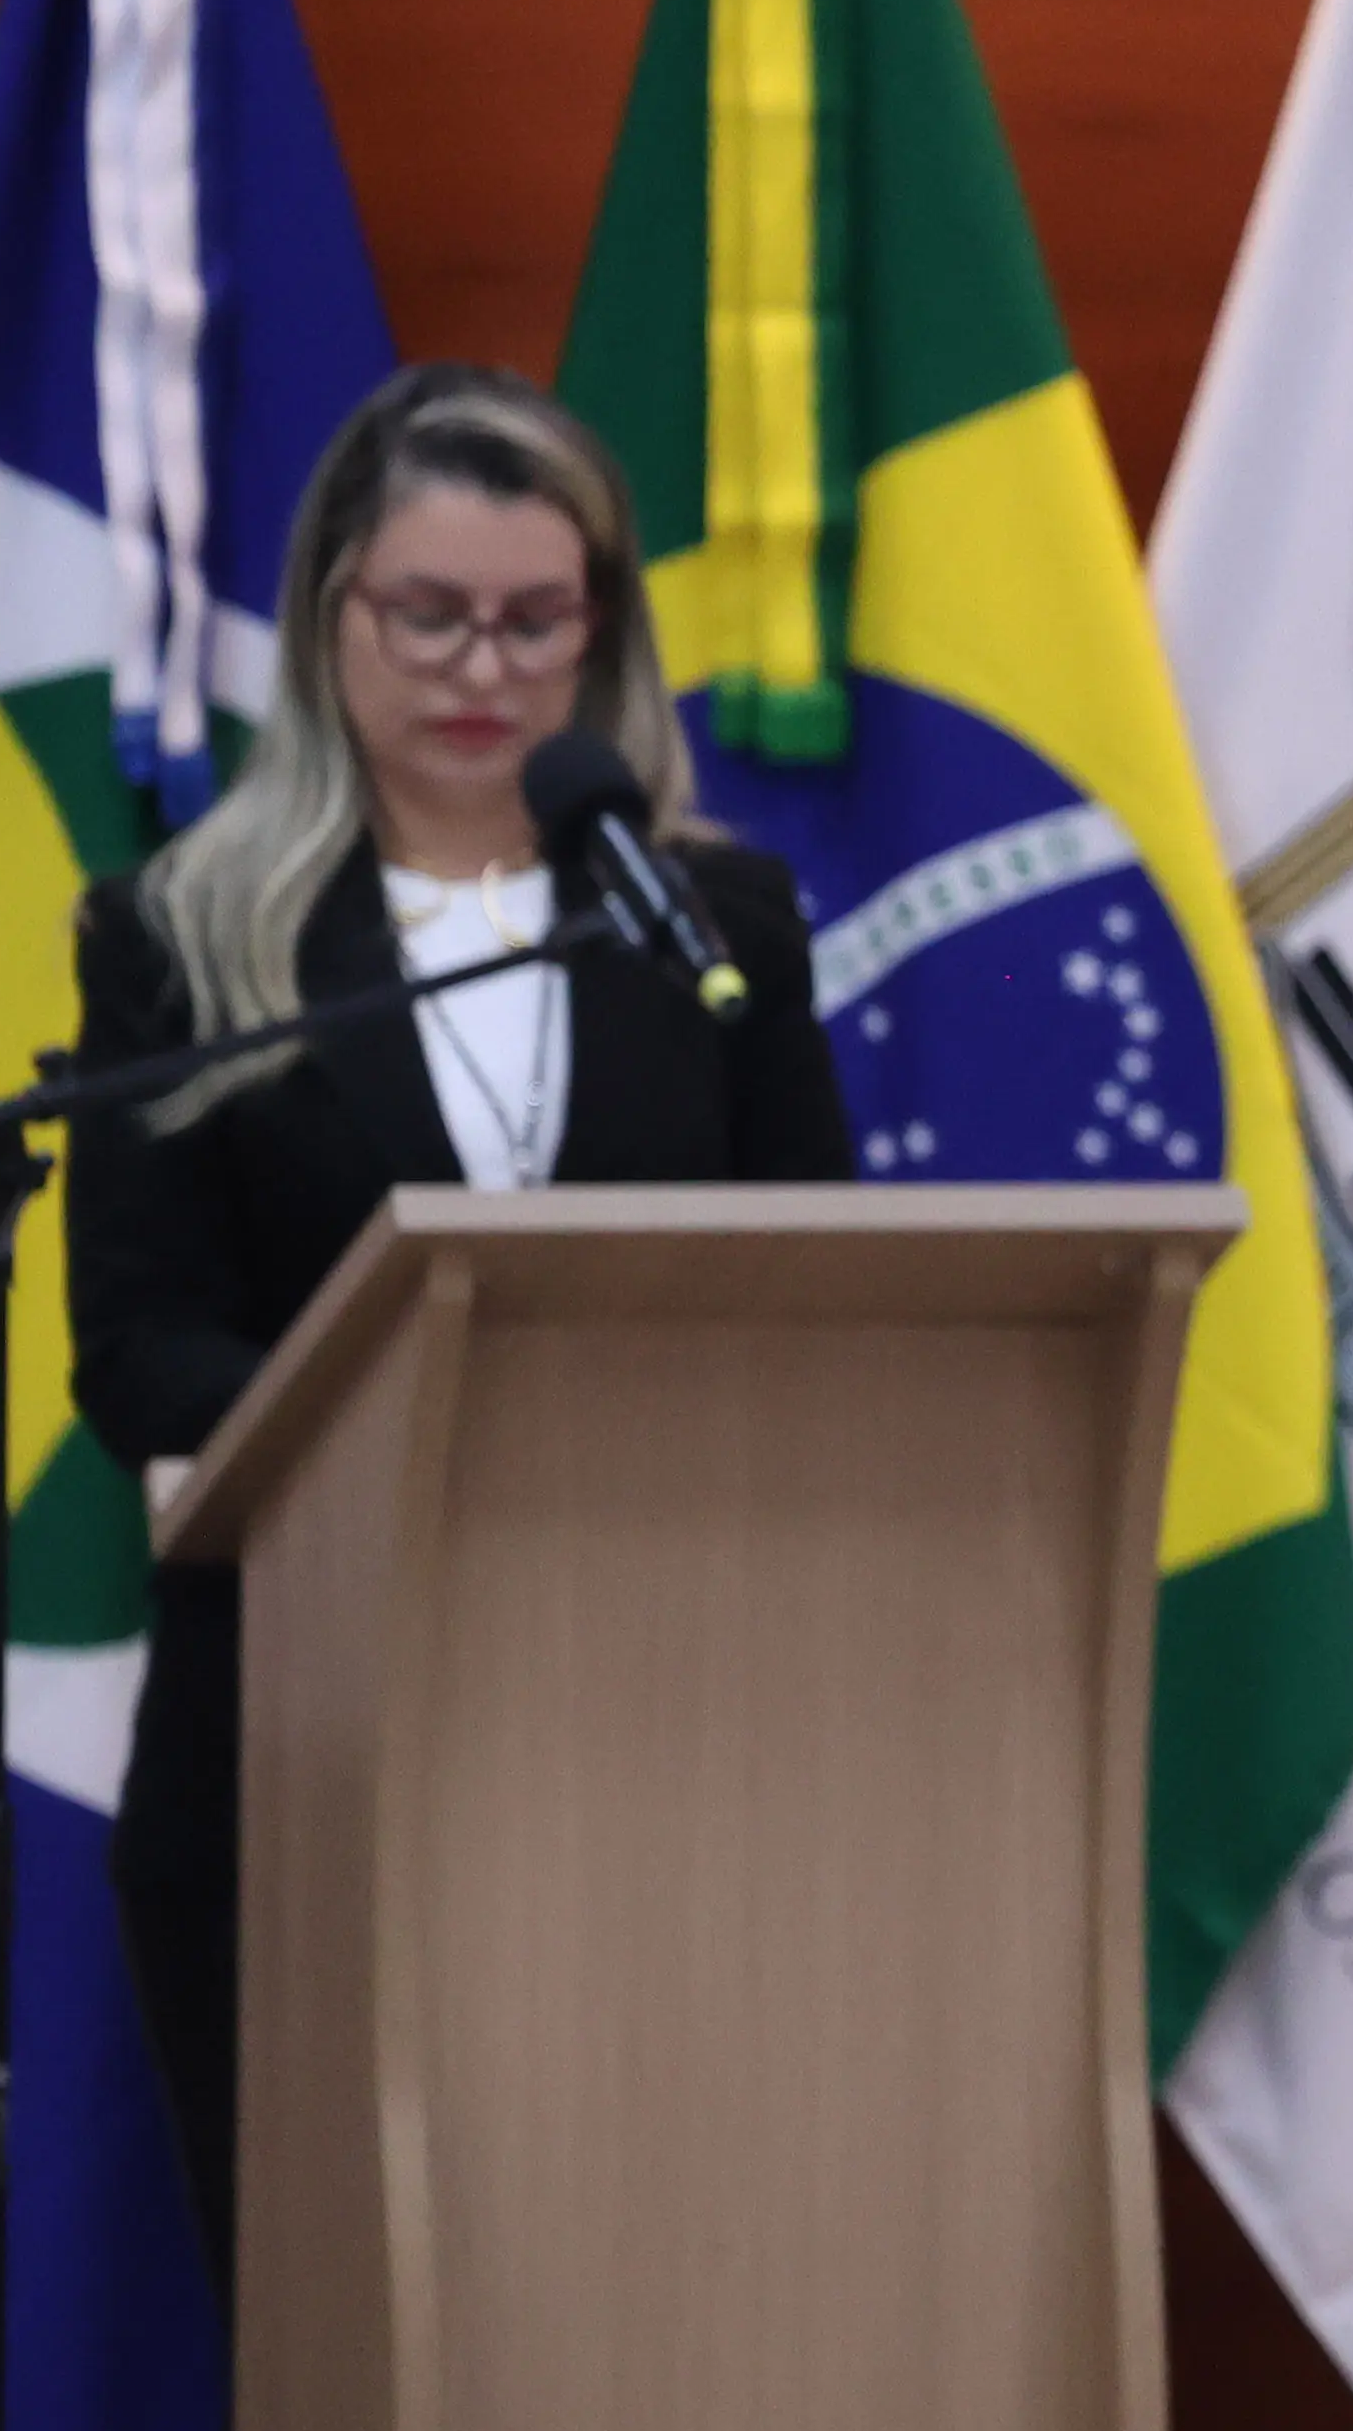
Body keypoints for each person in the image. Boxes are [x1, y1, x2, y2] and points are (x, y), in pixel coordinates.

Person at [70, 361, 850, 2275]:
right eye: (427, 613)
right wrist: (418, 1439)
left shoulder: (720, 928)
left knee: (620, 2298)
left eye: (533, 619)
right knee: (323, 2319)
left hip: (653, 1712)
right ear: (332, 611)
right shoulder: (187, 935)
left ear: (603, 635)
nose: (479, 666)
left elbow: (820, 1279)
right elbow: (141, 1345)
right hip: (298, 1729)